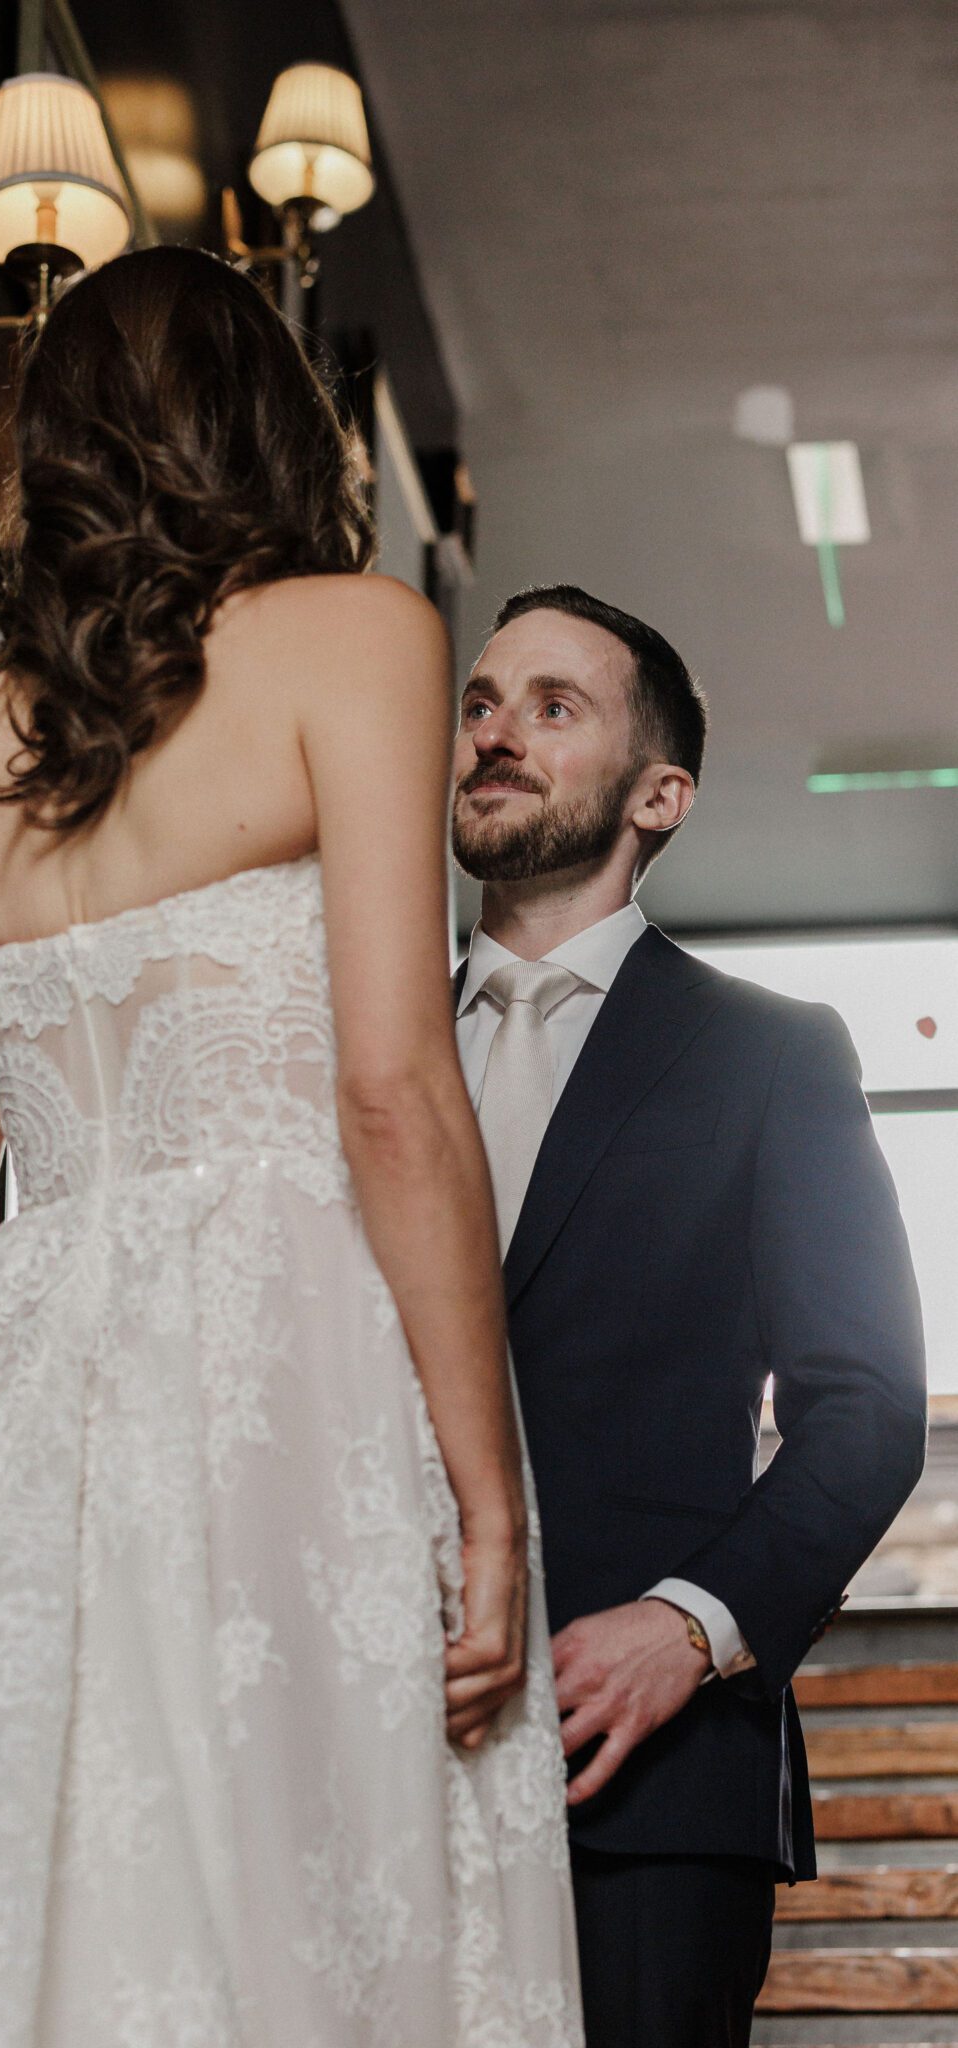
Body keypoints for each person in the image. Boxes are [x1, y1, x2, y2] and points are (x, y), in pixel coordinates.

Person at [0, 250, 582, 2046]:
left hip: (32, 1404)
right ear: (273, 429)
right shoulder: (359, 635)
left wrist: (44, 1456)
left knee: (47, 1924)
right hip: (295, 1387)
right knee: (307, 1897)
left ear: (51, 452)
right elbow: (392, 1090)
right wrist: (486, 1494)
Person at [450, 583, 928, 2048]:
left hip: (646, 1782)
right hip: (345, 1733)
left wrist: (689, 1626)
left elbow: (863, 1413)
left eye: (551, 707)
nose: (494, 735)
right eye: (478, 701)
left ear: (659, 795)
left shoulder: (768, 1057)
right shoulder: (348, 1043)